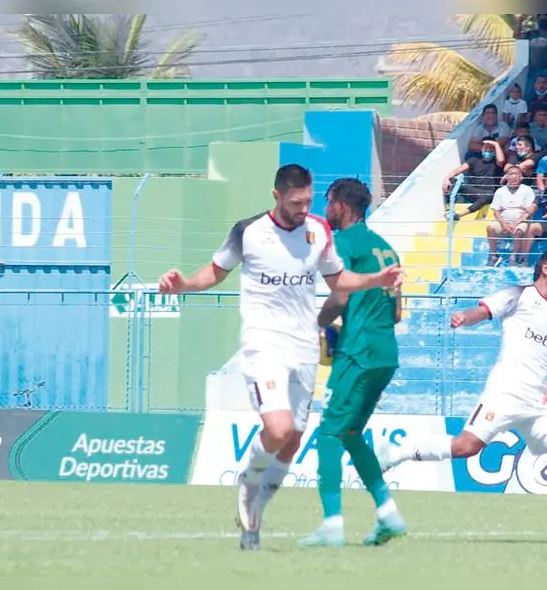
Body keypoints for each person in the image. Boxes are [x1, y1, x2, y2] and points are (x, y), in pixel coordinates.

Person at [157, 164, 402, 551]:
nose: (304, 208)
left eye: (308, 200)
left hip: (304, 346)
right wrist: (183, 285)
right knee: (279, 428)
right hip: (263, 342)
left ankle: (254, 517)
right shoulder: (249, 232)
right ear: (277, 196)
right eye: (296, 202)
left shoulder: (319, 231)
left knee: (292, 441)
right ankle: (249, 479)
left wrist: (376, 279)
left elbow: (339, 282)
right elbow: (216, 272)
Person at [375, 248, 547, 548]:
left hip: (539, 405)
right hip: (506, 392)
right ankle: (399, 451)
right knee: (467, 446)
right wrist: (464, 318)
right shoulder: (519, 295)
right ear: (546, 268)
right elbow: (483, 310)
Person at [297, 178, 406, 548]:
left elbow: (340, 299)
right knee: (351, 433)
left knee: (328, 432)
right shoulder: (386, 248)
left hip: (357, 352)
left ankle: (332, 525)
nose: (327, 208)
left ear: (341, 204)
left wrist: (314, 326)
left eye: (329, 201)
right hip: (385, 353)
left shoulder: (342, 242)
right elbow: (397, 310)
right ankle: (388, 513)